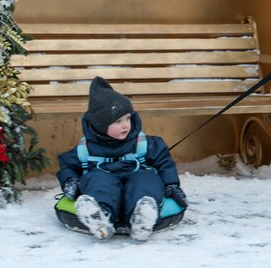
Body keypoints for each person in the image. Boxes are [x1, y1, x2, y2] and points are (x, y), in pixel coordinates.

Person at [57, 77, 189, 241]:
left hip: (137, 174)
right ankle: (99, 216)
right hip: (102, 176)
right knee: (99, 182)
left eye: (127, 118)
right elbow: (68, 166)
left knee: (147, 180)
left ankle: (142, 215)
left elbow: (164, 163)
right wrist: (70, 180)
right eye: (118, 121)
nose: (126, 125)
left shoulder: (145, 143)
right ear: (100, 125)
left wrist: (171, 185)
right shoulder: (85, 148)